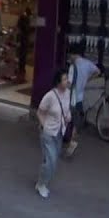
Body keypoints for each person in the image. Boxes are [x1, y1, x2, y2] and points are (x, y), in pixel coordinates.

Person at [36, 68, 72, 198]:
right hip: (48, 133)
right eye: (64, 79)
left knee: (51, 160)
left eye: (67, 78)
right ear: (58, 82)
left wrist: (68, 116)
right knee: (51, 160)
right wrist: (44, 124)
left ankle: (42, 180)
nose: (67, 81)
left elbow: (67, 109)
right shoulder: (50, 96)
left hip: (59, 133)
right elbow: (39, 112)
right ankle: (41, 184)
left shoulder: (68, 93)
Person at [65, 45, 100, 158]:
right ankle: (72, 142)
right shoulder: (87, 63)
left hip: (71, 98)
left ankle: (60, 140)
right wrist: (87, 79)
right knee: (75, 123)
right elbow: (97, 71)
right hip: (79, 98)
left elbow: (69, 84)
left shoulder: (73, 66)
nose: (70, 56)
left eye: (70, 54)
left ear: (74, 54)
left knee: (65, 119)